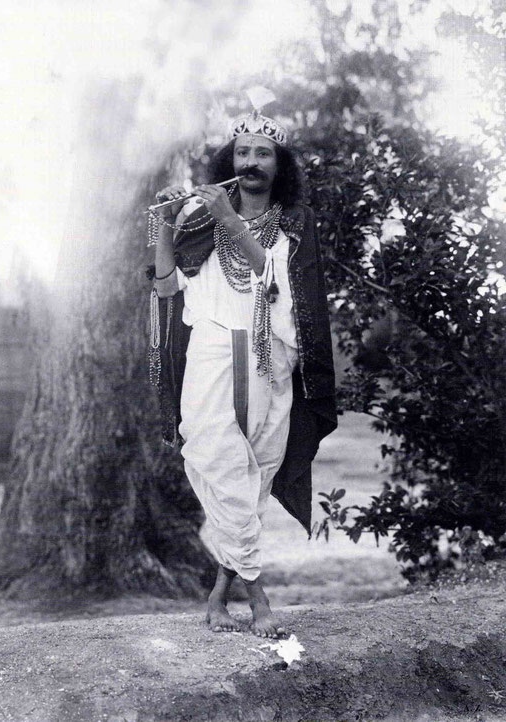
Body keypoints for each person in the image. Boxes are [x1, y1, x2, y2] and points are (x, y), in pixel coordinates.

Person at [147, 101, 337, 638]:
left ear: (280, 165)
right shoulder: (197, 218)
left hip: (269, 361)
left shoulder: (294, 225)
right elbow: (166, 289)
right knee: (220, 464)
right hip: (210, 355)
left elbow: (277, 286)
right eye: (243, 151)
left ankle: (215, 598)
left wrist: (233, 222)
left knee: (252, 479)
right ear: (230, 157)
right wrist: (165, 228)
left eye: (263, 153)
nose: (251, 160)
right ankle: (259, 601)